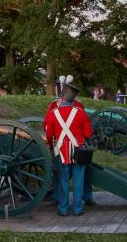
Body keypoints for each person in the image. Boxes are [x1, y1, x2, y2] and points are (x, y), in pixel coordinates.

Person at [43, 76, 96, 207]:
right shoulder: (54, 105)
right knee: (68, 177)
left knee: (66, 178)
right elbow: (46, 124)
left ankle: (76, 201)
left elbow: (48, 128)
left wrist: (51, 142)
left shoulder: (77, 106)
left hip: (62, 149)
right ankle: (67, 202)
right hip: (75, 146)